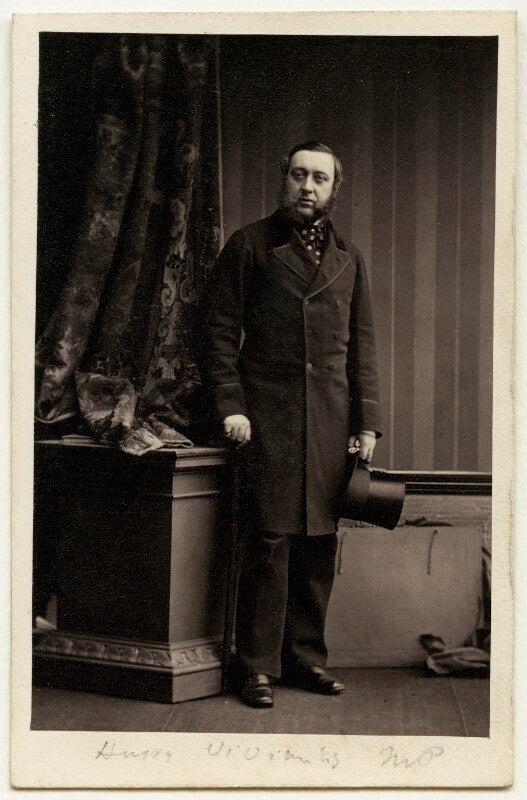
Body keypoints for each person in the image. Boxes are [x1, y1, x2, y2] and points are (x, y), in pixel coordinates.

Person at [200, 141, 382, 708]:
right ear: (284, 180)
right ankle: (255, 666)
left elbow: (363, 347)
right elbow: (217, 332)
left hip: (330, 419)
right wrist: (231, 405)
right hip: (266, 416)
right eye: (299, 175)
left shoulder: (349, 256)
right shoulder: (249, 244)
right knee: (270, 540)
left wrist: (367, 423)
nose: (308, 186)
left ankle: (305, 660)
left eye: (320, 178)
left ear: (333, 189)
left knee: (319, 543)